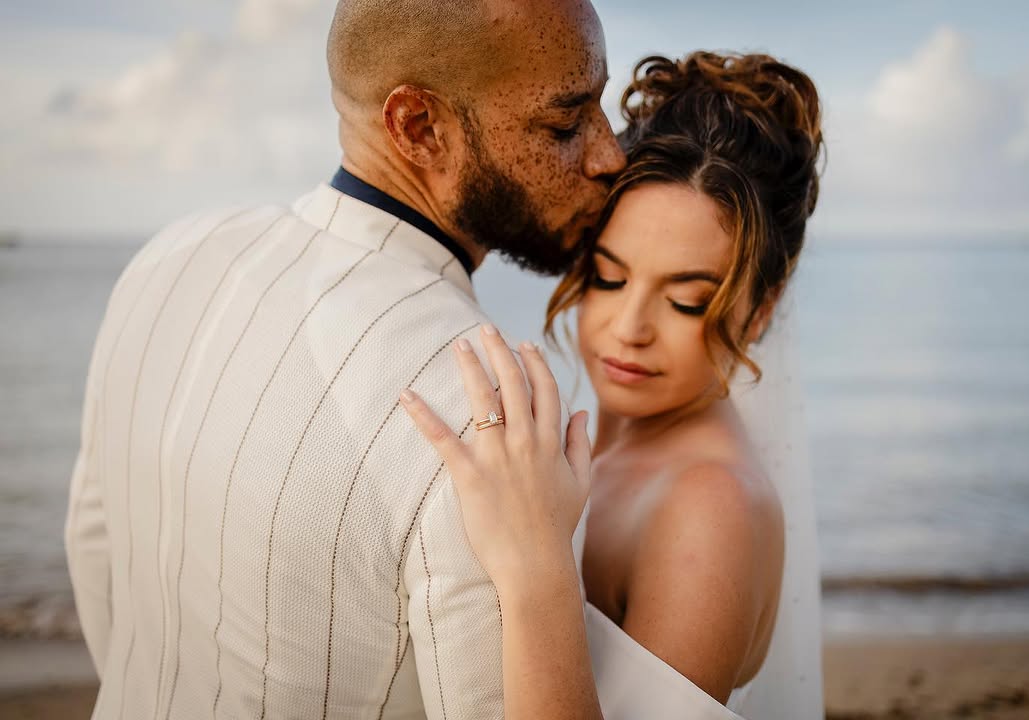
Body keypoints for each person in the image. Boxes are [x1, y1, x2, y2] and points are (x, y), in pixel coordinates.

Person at [63, 0, 625, 717]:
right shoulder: (483, 421)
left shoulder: (167, 256)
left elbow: (95, 553)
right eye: (565, 122)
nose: (611, 155)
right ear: (419, 128)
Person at [402, 51, 824, 718]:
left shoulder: (710, 507)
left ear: (761, 310)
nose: (630, 328)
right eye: (608, 277)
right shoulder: (615, 448)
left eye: (687, 301)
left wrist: (535, 563)